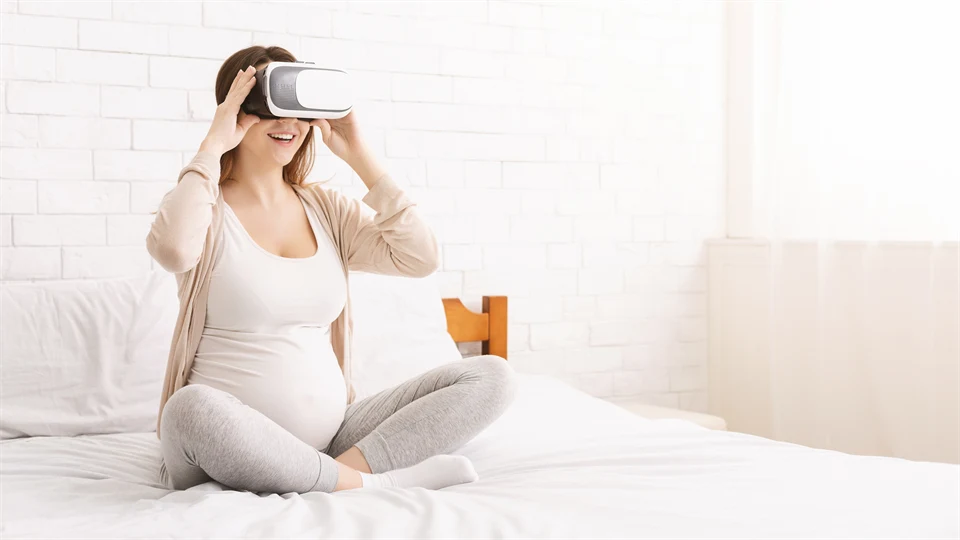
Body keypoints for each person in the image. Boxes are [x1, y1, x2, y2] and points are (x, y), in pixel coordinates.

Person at [147, 46, 515, 494]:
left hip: (332, 439)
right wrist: (211, 145)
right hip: (221, 448)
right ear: (234, 111)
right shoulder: (203, 204)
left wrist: (358, 153)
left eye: (298, 110)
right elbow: (172, 250)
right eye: (267, 106)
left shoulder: (325, 210)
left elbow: (420, 257)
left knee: (490, 376)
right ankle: (371, 485)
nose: (287, 124)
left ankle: (337, 476)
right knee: (188, 409)